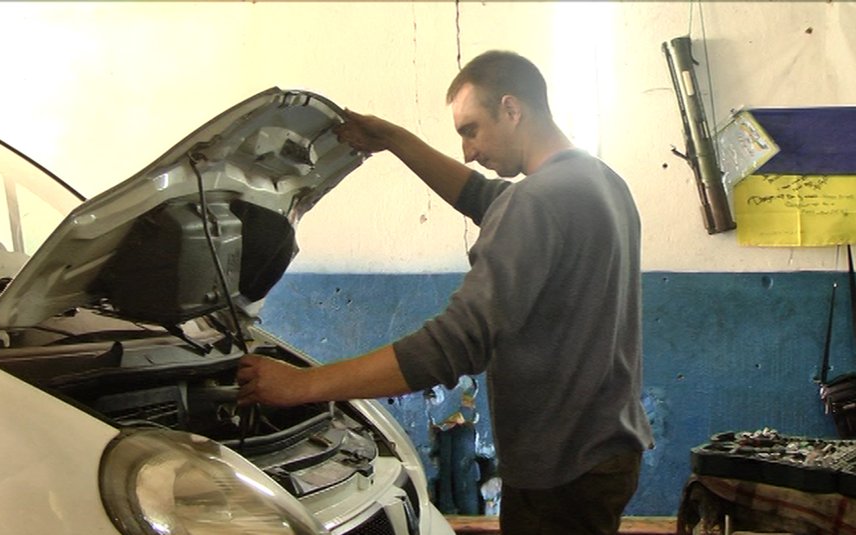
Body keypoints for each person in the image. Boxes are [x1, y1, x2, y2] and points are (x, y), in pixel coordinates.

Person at [237, 50, 654, 535]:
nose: (468, 152)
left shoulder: (537, 202)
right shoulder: (597, 182)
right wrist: (394, 140)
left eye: (470, 130)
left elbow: (456, 343)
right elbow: (482, 197)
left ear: (511, 108)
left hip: (560, 467)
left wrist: (303, 385)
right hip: (605, 450)